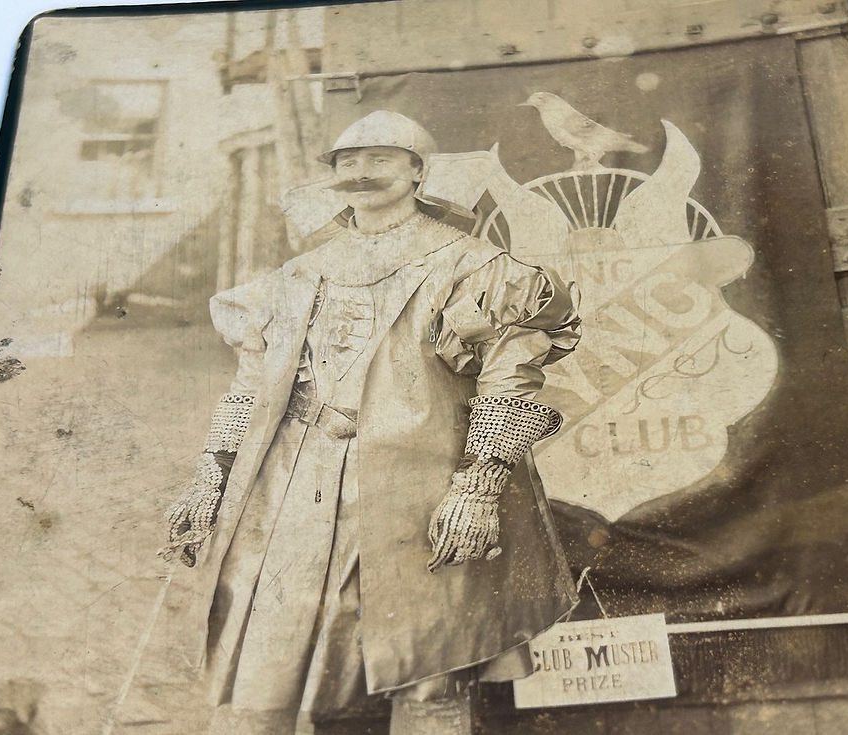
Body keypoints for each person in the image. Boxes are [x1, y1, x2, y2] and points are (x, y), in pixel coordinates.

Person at [163, 110, 581, 734]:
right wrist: (209, 479)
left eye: (382, 158)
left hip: (427, 483)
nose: (362, 173)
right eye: (348, 162)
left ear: (417, 171)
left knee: (430, 672)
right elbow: (250, 387)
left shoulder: (476, 266)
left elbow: (509, 380)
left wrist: (478, 488)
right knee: (268, 667)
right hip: (294, 487)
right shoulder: (300, 274)